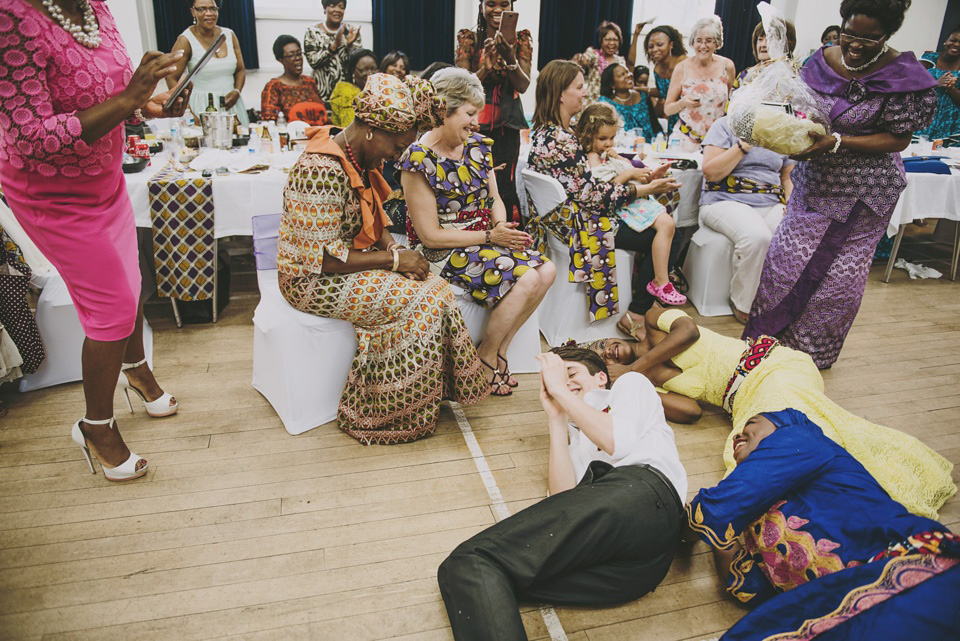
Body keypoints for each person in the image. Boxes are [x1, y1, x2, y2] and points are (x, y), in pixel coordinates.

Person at [0, 0, 190, 481]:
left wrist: (149, 105)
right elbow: (27, 136)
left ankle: (137, 371)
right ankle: (95, 425)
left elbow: (111, 95)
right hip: (52, 192)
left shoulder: (96, 8)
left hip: (103, 180)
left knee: (130, 283)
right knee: (110, 309)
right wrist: (129, 100)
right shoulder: (12, 16)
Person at [276, 73, 490, 444]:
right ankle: (385, 411)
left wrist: (393, 249)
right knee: (416, 300)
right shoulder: (320, 169)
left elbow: (374, 218)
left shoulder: (358, 157)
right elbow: (325, 258)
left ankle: (428, 394)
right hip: (309, 279)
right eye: (397, 147)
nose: (399, 156)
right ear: (372, 131)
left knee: (435, 286)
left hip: (348, 261)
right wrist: (392, 262)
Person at [590, 306, 956, 520]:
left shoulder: (656, 321)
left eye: (605, 345)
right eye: (604, 360)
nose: (611, 353)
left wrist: (635, 369)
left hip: (774, 366)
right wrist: (633, 384)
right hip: (744, 398)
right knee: (746, 447)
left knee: (779, 429)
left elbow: (688, 332)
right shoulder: (651, 380)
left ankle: (868, 489)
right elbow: (690, 413)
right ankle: (825, 501)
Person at [437, 347, 687, 641]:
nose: (564, 383)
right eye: (556, 379)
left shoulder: (630, 386)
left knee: (473, 560)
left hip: (645, 494)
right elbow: (564, 499)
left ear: (601, 378)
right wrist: (556, 418)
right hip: (633, 568)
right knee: (476, 576)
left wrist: (558, 387)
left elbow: (617, 442)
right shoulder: (576, 443)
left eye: (571, 374)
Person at [745, 0, 937, 370]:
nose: (855, 44)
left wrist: (837, 142)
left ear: (888, 34)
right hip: (813, 183)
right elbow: (803, 109)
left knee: (836, 283)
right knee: (784, 264)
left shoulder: (903, 75)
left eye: (870, 38)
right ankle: (765, 350)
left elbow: (899, 140)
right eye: (850, 33)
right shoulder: (820, 60)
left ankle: (809, 361)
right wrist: (792, 135)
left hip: (863, 194)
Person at [686, 408, 960, 641]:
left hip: (904, 564)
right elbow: (752, 590)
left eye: (753, 423)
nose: (738, 434)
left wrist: (687, 529)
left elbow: (713, 508)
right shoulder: (753, 519)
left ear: (780, 423)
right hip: (833, 610)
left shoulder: (799, 438)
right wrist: (722, 537)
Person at [401, 69, 555, 396]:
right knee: (527, 278)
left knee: (548, 269)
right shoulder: (417, 159)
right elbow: (429, 237)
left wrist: (498, 225)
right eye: (470, 114)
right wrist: (490, 237)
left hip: (484, 240)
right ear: (443, 110)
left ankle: (499, 349)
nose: (476, 122)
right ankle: (485, 357)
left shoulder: (477, 147)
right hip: (443, 251)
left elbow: (495, 198)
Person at [526, 60, 673, 326]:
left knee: (659, 223)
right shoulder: (561, 140)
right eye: (579, 87)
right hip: (582, 226)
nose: (585, 93)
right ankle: (638, 313)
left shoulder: (546, 133)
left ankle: (643, 302)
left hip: (562, 222)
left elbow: (587, 184)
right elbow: (594, 198)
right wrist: (641, 189)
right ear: (561, 93)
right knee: (664, 234)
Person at [577, 103, 684, 306]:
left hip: (624, 204)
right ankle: (660, 283)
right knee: (668, 228)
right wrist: (628, 173)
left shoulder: (605, 154)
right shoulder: (591, 157)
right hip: (610, 214)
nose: (608, 144)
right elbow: (603, 190)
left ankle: (656, 286)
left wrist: (640, 172)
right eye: (602, 139)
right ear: (587, 135)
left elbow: (623, 174)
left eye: (611, 138)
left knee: (668, 227)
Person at [699, 116, 794, 323]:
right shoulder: (725, 125)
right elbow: (711, 173)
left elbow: (787, 177)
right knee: (758, 236)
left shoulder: (782, 128)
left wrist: (792, 205)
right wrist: (743, 145)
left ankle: (777, 302)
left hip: (770, 201)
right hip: (724, 199)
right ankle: (743, 303)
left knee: (792, 234)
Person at [455, 0, 532, 225]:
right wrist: (484, 69)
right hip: (473, 124)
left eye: (503, 3)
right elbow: (461, 88)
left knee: (503, 184)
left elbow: (524, 85)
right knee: (472, 182)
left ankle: (508, 236)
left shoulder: (521, 40)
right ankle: (474, 233)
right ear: (481, 6)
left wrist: (510, 58)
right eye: (491, 3)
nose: (497, 9)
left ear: (512, 6)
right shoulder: (469, 39)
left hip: (508, 125)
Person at [167, 0, 249, 127]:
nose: (209, 13)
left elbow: (240, 70)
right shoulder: (185, 40)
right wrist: (187, 111)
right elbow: (171, 77)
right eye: (202, 9)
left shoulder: (229, 34)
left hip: (232, 106)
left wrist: (237, 91)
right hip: (200, 107)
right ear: (193, 11)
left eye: (213, 8)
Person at [663, 16, 735, 151]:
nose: (703, 46)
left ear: (717, 43)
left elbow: (732, 105)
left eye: (709, 41)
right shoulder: (681, 68)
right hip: (685, 139)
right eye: (699, 41)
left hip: (716, 141)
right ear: (693, 42)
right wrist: (683, 102)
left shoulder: (727, 66)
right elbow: (667, 109)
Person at [303, 0, 362, 102]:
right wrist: (334, 46)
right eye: (332, 6)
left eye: (341, 7)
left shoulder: (351, 31)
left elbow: (358, 66)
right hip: (320, 95)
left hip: (345, 96)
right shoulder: (312, 31)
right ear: (325, 8)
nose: (337, 10)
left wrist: (349, 46)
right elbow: (313, 62)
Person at [260, 35, 326, 125]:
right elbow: (270, 123)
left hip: (320, 135)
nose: (298, 58)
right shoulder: (274, 87)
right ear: (281, 60)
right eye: (291, 55)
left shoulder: (310, 82)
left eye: (299, 54)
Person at [598, 63, 662, 141]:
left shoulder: (643, 97)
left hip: (647, 146)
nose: (628, 75)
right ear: (612, 84)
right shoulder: (605, 103)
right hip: (620, 148)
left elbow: (655, 125)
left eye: (627, 72)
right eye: (621, 75)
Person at [917, 27, 960, 141]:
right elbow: (911, 83)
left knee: (944, 157)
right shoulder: (929, 58)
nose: (956, 44)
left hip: (951, 122)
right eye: (953, 40)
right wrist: (935, 83)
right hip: (923, 115)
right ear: (946, 41)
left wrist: (951, 88)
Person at [644, 25, 687, 135]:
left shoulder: (685, 64)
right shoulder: (657, 69)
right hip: (672, 118)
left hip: (688, 117)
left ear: (671, 45)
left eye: (659, 45)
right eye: (650, 46)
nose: (654, 50)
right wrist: (641, 89)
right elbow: (663, 92)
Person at [573, 21, 627, 107]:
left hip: (611, 106)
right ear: (601, 41)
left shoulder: (621, 61)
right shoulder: (594, 54)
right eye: (608, 39)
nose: (612, 43)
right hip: (592, 104)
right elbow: (585, 60)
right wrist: (580, 58)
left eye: (615, 40)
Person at [734, 19, 798, 89]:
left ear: (785, 44)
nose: (763, 45)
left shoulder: (791, 76)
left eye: (769, 40)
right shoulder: (745, 74)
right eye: (760, 39)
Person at [329, 48, 378, 127]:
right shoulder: (345, 91)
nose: (370, 74)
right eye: (363, 70)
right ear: (353, 70)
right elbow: (351, 127)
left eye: (373, 69)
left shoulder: (378, 91)